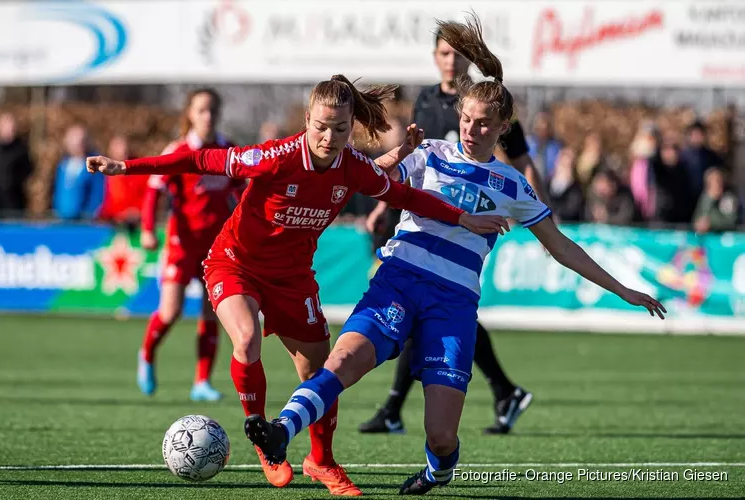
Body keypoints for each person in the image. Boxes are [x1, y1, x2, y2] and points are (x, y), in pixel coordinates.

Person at [242, 15, 666, 496]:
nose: (471, 129)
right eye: (465, 119)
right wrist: (380, 163)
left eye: (484, 123)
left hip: (453, 304)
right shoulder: (431, 154)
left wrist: (624, 290)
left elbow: (561, 246)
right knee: (342, 362)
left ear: (504, 127)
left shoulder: (513, 185)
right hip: (398, 279)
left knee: (441, 436)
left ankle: (437, 471)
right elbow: (375, 175)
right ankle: (281, 431)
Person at [86, 74, 506, 496]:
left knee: (321, 373)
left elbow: (406, 197)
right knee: (246, 340)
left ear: (350, 128)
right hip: (236, 264)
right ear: (307, 119)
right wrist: (127, 168)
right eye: (321, 126)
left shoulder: (353, 167)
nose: (329, 136)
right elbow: (198, 160)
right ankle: (266, 446)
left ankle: (321, 461)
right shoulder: (273, 157)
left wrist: (461, 217)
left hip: (292, 278)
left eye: (341, 129)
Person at [360, 23, 553, 436]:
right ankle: (499, 390)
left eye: (457, 55)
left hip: (468, 223)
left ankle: (397, 407)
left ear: (467, 60)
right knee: (426, 309)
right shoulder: (428, 99)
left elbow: (521, 163)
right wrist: (381, 206)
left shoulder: (491, 104)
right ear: (435, 58)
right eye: (444, 54)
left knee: (434, 308)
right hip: (420, 215)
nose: (450, 61)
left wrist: (538, 213)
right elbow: (411, 160)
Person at [134, 88, 237, 403]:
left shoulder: (228, 150)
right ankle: (147, 353)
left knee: (212, 313)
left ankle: (202, 382)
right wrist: (149, 230)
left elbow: (245, 192)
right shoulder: (179, 150)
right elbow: (155, 190)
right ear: (190, 114)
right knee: (171, 311)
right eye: (201, 110)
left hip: (215, 248)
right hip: (182, 244)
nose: (208, 116)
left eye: (212, 110)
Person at [53, 124, 104, 220]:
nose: (76, 145)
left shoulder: (94, 165)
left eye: (80, 141)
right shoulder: (62, 165)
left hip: (84, 221)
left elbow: (98, 193)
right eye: (73, 141)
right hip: (62, 219)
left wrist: (90, 214)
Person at [0, 112, 32, 218]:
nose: (8, 130)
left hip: (15, 202)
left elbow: (28, 172)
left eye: (11, 127)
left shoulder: (22, 151)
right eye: (5, 126)